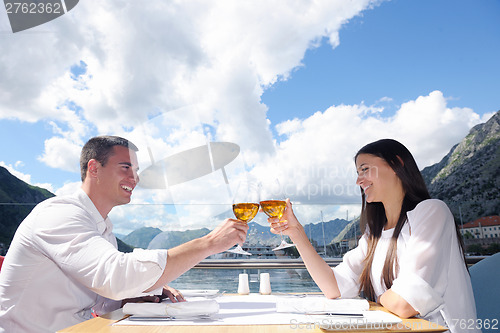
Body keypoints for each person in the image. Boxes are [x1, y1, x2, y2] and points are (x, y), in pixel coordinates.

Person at [0, 135, 248, 332]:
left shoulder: (102, 227)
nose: (135, 177)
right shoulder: (59, 214)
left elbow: (100, 298)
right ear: (94, 169)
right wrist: (208, 243)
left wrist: (138, 296)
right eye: (126, 167)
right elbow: (114, 276)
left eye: (136, 169)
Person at [269, 139, 478, 333]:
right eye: (357, 172)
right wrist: (297, 234)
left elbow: (405, 303)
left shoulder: (432, 212)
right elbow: (334, 288)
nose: (359, 180)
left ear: (396, 164)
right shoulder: (374, 234)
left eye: (365, 169)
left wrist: (377, 297)